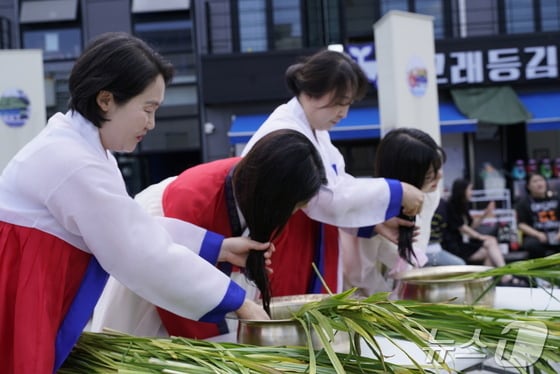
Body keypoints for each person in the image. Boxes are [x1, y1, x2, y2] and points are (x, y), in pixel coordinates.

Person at [0, 32, 273, 373]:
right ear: (106, 100)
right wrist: (237, 302)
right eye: (147, 109)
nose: (151, 123)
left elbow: (131, 227)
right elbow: (139, 251)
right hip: (19, 299)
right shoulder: (75, 161)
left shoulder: (82, 148)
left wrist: (219, 248)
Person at [91, 129, 328, 339]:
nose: (290, 217)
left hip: (201, 263)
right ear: (275, 196)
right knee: (137, 336)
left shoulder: (257, 185)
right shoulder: (194, 198)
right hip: (159, 248)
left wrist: (223, 253)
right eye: (292, 208)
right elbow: (175, 275)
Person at [240, 49, 425, 296]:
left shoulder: (312, 128)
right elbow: (326, 197)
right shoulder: (285, 130)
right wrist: (397, 190)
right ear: (311, 90)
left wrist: (376, 223)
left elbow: (337, 186)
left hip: (304, 241)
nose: (344, 113)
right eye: (339, 103)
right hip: (283, 244)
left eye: (348, 104)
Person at [342, 128, 445, 296]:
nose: (438, 177)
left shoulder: (430, 196)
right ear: (406, 177)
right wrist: (392, 305)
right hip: (365, 303)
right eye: (428, 176)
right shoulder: (370, 211)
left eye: (438, 169)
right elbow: (358, 276)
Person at [446, 179, 525, 285]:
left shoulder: (464, 205)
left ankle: (488, 283)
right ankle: (505, 276)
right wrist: (479, 237)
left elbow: (471, 225)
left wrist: (485, 214)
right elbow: (462, 227)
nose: (472, 192)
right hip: (455, 246)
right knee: (491, 242)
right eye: (470, 189)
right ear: (462, 190)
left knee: (489, 252)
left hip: (464, 244)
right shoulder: (450, 206)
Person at [515, 172, 560, 259]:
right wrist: (538, 234)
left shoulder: (557, 198)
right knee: (532, 245)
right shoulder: (523, 203)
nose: (539, 183)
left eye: (541, 180)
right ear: (528, 186)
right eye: (535, 181)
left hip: (556, 234)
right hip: (536, 235)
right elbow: (521, 224)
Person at [425, 198, 466, 267]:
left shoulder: (441, 204)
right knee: (461, 265)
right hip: (431, 249)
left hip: (430, 248)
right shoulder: (442, 205)